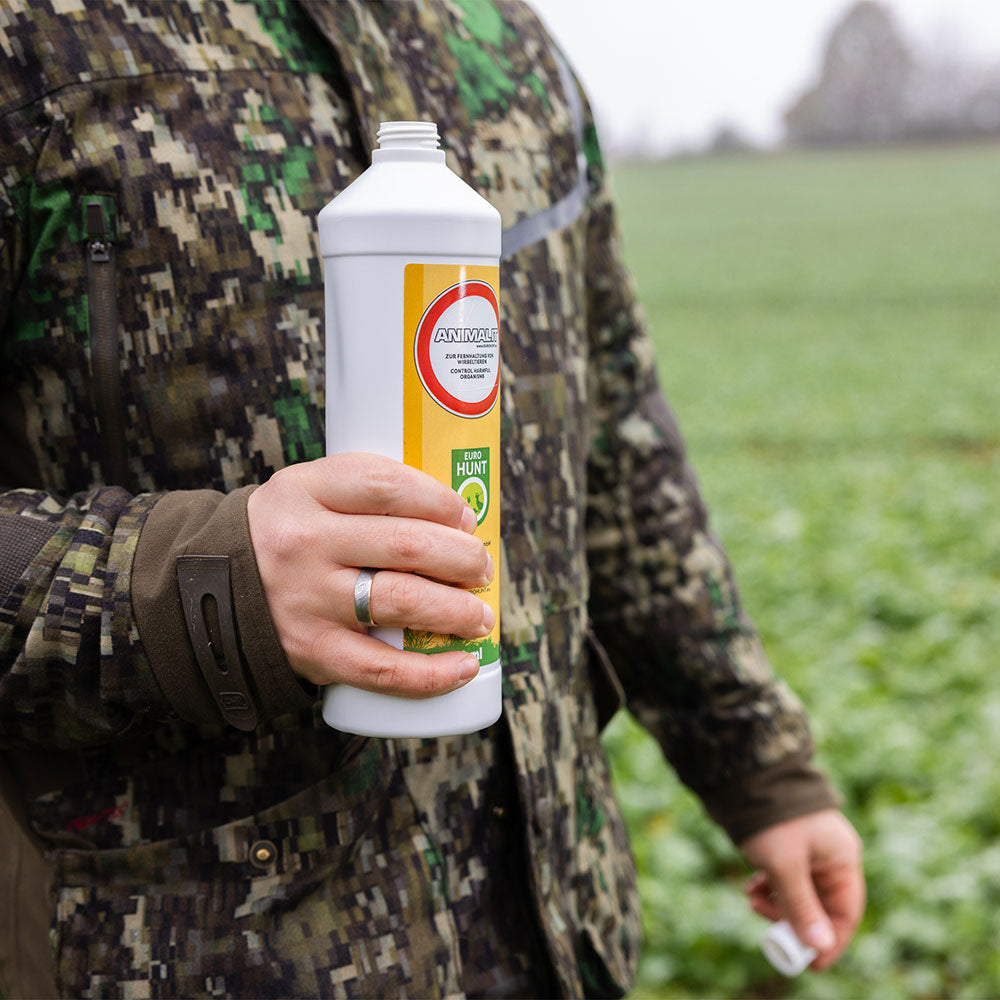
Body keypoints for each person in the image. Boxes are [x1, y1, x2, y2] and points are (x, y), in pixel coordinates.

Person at [0, 1, 864, 997]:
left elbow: (613, 436)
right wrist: (205, 588)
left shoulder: (503, 41)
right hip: (181, 949)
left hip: (548, 937)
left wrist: (757, 763)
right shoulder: (39, 36)